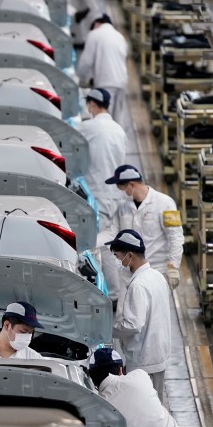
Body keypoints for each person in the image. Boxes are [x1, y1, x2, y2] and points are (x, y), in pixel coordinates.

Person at [105, 229, 172, 397]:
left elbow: (133, 325)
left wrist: (106, 329)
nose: (119, 261)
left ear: (130, 255)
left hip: (143, 360)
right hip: (158, 354)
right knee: (155, 406)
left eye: (118, 256)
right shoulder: (157, 276)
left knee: (143, 406)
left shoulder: (138, 285)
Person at [77, 87, 128, 300]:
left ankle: (104, 293)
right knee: (109, 243)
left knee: (92, 243)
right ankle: (114, 294)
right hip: (114, 194)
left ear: (91, 105)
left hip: (95, 192)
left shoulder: (88, 127)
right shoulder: (119, 130)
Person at [106, 164, 183, 289]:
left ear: (131, 185)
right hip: (130, 273)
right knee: (126, 308)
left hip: (157, 273)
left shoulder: (165, 203)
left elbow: (176, 236)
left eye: (123, 189)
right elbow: (112, 233)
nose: (122, 193)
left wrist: (173, 266)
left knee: (156, 308)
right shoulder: (123, 206)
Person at [77, 15, 129, 123]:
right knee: (117, 121)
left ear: (96, 24)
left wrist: (79, 78)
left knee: (103, 120)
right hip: (121, 82)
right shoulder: (120, 36)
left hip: (106, 83)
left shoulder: (94, 34)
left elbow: (86, 62)